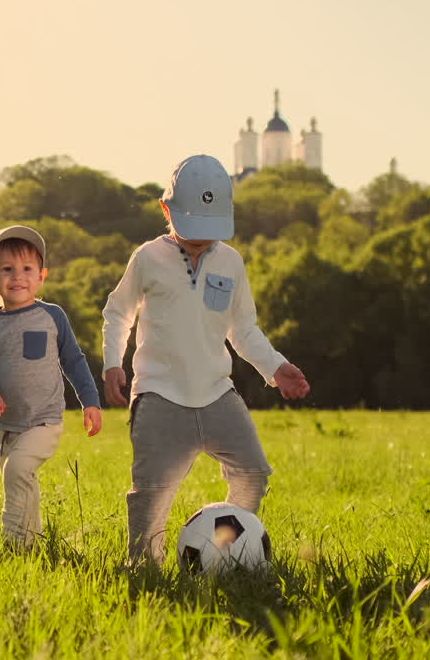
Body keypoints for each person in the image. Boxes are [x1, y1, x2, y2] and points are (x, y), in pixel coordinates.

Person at [101, 154, 310, 567]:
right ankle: (145, 566)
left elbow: (243, 329)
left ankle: (223, 554)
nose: (200, 239)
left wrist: (276, 367)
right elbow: (118, 311)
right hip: (159, 395)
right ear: (166, 209)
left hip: (217, 393)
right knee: (152, 492)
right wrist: (113, 362)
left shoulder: (230, 262)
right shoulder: (147, 258)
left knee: (253, 474)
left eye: (209, 229)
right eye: (191, 226)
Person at [0, 225, 104, 548]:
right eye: (7, 269)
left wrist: (90, 402)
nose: (18, 277)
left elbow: (75, 361)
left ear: (41, 276)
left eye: (27, 269)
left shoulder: (52, 316)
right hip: (6, 428)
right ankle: (34, 543)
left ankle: (12, 542)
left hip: (44, 420)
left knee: (17, 472)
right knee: (22, 481)